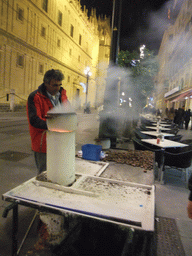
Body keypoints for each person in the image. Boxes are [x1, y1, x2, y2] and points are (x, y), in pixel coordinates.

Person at [27, 69, 69, 174]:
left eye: (60, 85)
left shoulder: (62, 95)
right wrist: (56, 125)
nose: (58, 88)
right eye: (55, 85)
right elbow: (34, 120)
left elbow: (69, 112)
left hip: (60, 142)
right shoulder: (35, 97)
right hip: (43, 144)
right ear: (46, 83)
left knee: (58, 172)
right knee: (44, 174)